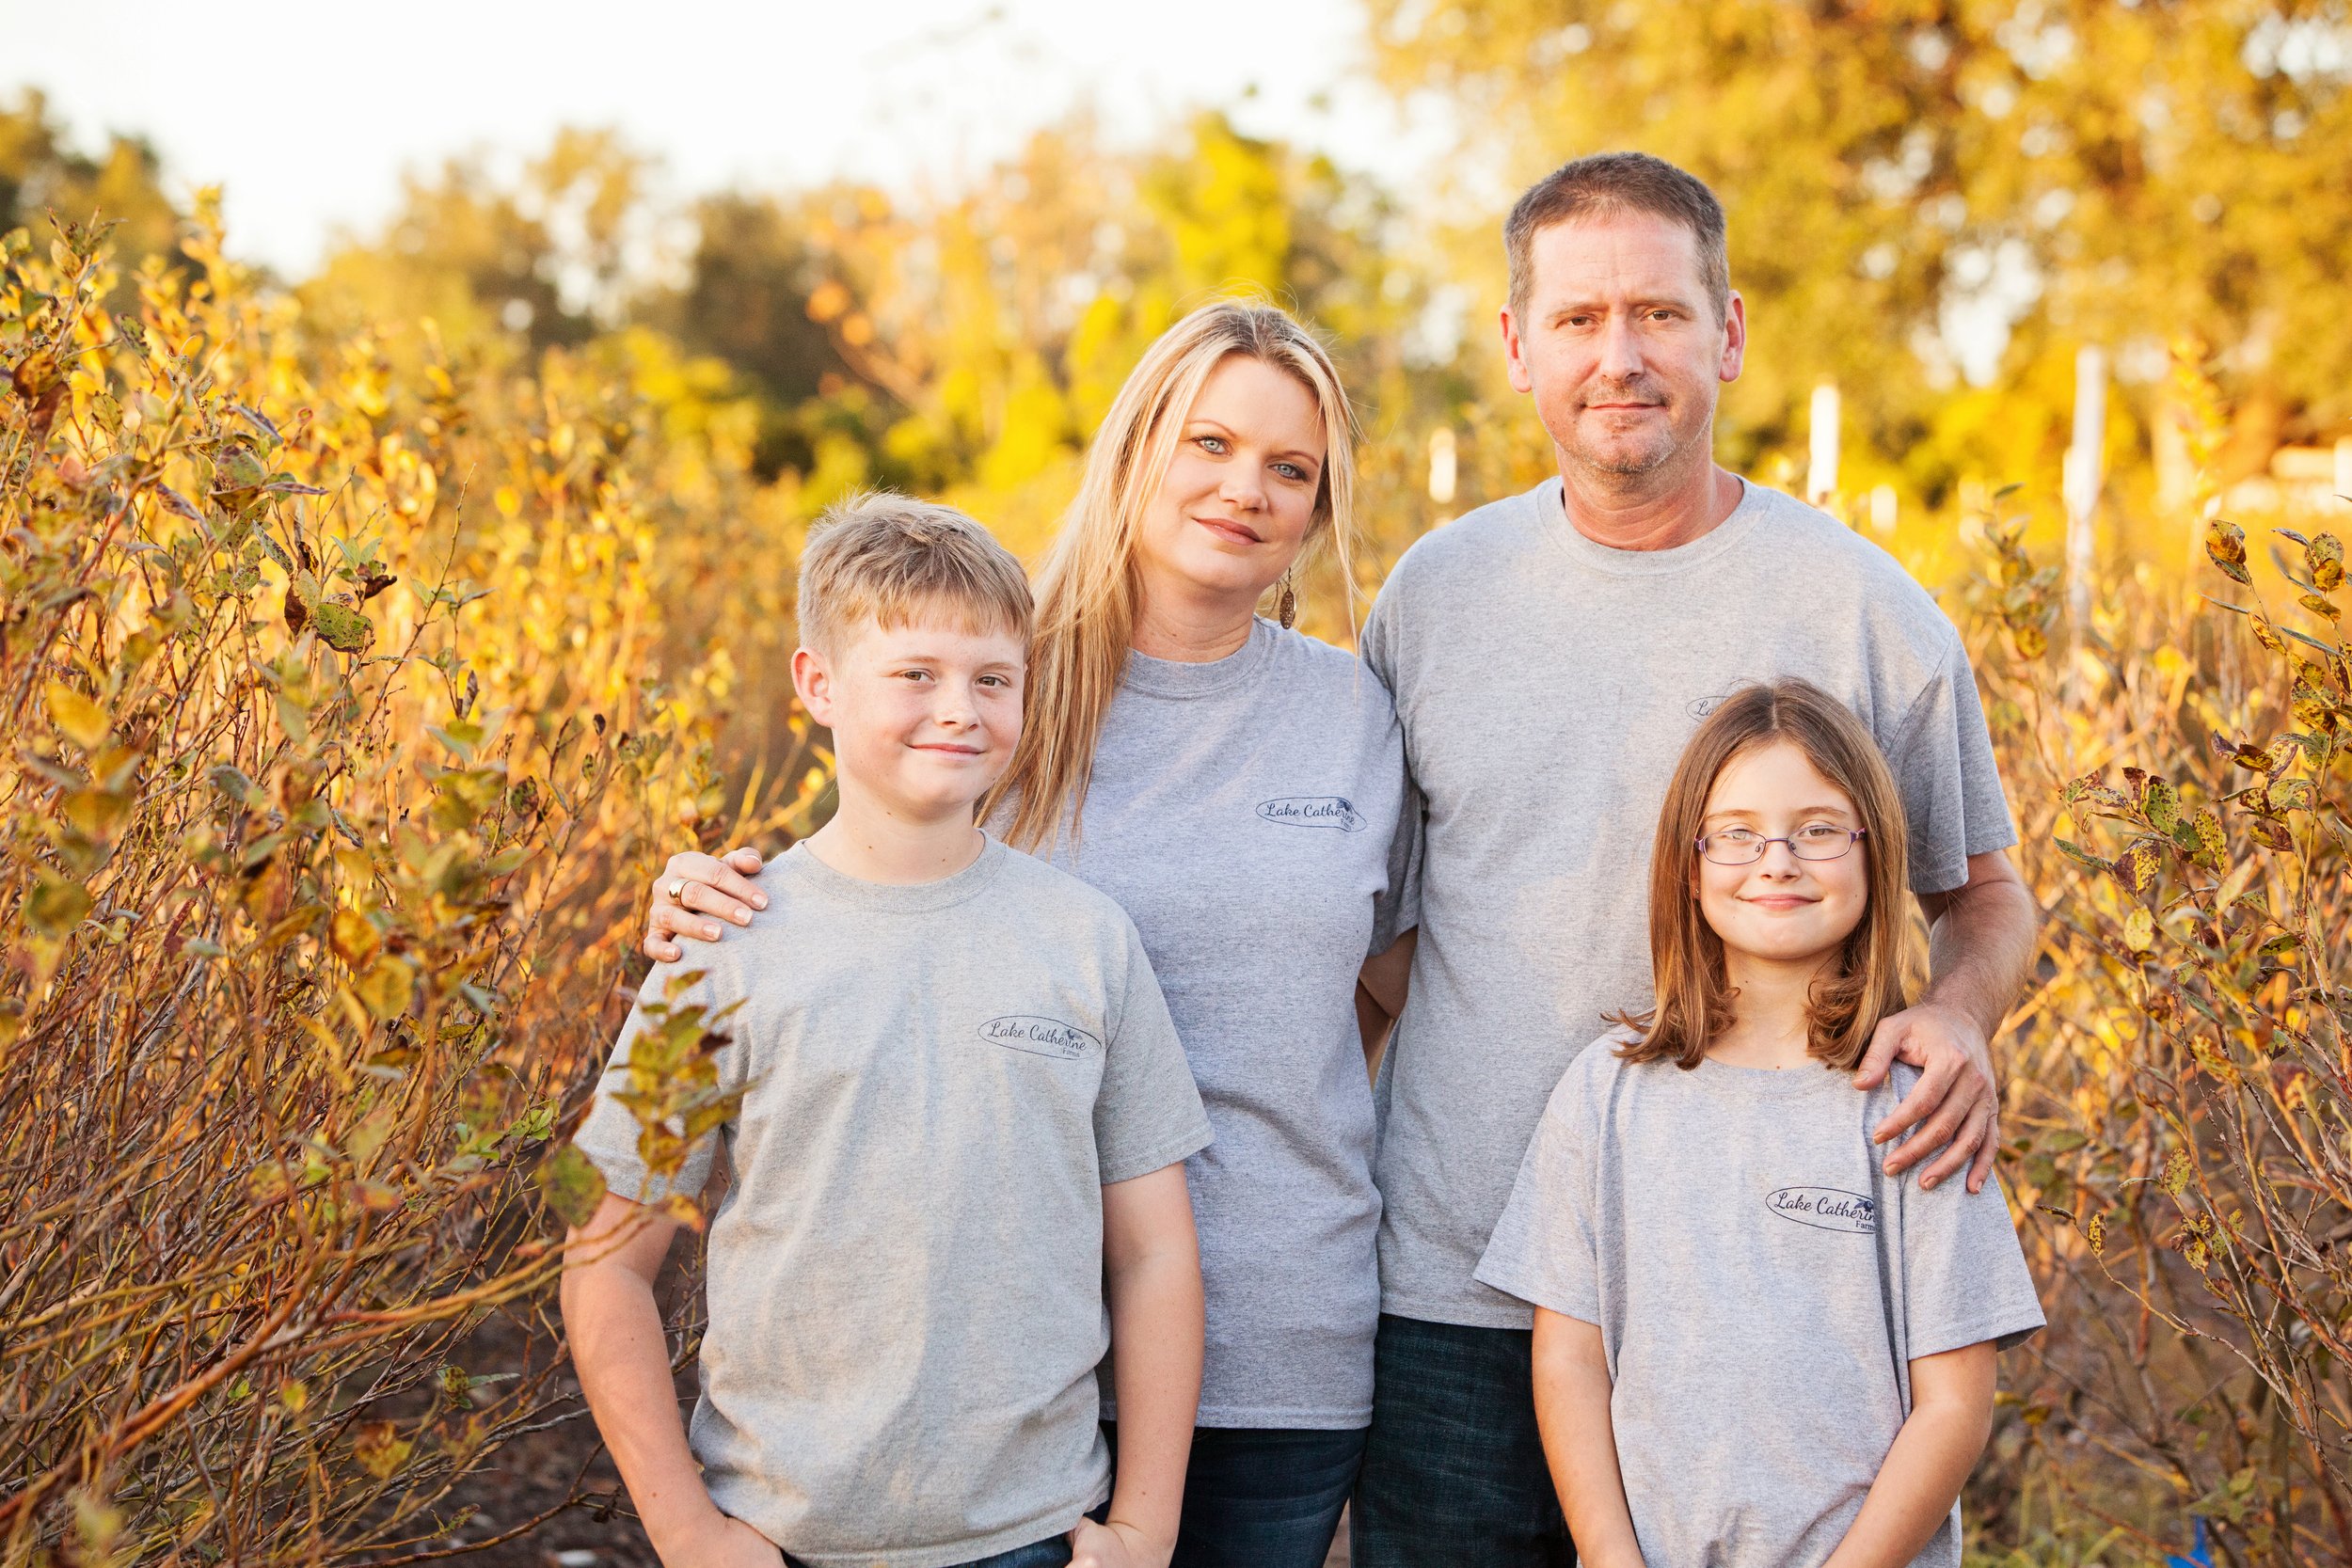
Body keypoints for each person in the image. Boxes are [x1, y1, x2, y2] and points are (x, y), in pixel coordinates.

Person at [1351, 152, 2042, 1564]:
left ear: (1727, 332)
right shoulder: (1435, 596)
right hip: (1452, 1289)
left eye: (1661, 314)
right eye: (1581, 318)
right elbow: (1371, 933)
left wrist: (1958, 1017)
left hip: (1752, 1316)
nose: (1622, 356)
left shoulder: (1859, 606)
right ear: (1515, 344)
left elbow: (1987, 894)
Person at [640, 302, 1409, 1568]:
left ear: (1320, 509)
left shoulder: (1355, 715)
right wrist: (699, 890)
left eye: (1291, 468)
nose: (1244, 489)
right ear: (1135, 447)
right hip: (996, 1359)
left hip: (1279, 1335)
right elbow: (855, 883)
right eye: (1209, 441)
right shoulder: (992, 678)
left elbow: (1382, 979)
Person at [562, 495, 1214, 1568]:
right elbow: (603, 1264)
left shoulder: (1086, 941)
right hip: (785, 1537)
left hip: (1033, 1535)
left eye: (991, 678)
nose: (957, 707)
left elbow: (1153, 1253)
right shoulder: (725, 947)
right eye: (914, 672)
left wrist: (1147, 1526)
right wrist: (688, 1534)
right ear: (818, 684)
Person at [1474, 678, 2044, 1568]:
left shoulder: (1917, 1102)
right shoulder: (1606, 1095)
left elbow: (1955, 1404)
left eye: (1818, 828)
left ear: (1875, 851)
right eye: (1737, 832)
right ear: (1688, 862)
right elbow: (1569, 1362)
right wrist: (1606, 1553)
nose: (1776, 859)